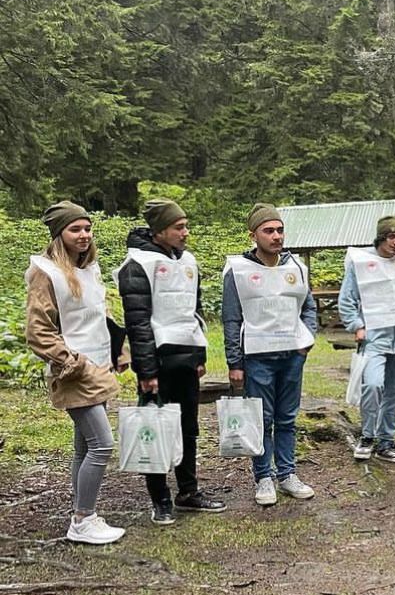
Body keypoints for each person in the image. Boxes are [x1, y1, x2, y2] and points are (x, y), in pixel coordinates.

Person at [118, 197, 225, 524]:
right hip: (159, 362)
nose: (186, 232)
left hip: (186, 358)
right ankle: (160, 499)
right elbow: (137, 321)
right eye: (179, 227)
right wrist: (146, 370)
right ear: (159, 231)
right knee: (156, 429)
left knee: (187, 428)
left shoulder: (188, 260)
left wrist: (200, 354)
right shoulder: (137, 264)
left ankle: (188, 492)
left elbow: (194, 311)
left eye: (186, 226)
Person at [26, 202, 127, 544]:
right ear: (59, 234)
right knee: (102, 445)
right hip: (75, 371)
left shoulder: (89, 267)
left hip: (98, 365)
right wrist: (71, 361)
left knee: (85, 449)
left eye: (87, 229)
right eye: (75, 230)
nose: (84, 235)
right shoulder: (45, 272)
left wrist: (119, 349)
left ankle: (83, 511)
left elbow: (98, 314)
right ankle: (83, 519)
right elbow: (38, 331)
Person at [222, 203, 319, 506]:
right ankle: (264, 476)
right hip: (257, 356)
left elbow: (309, 307)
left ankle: (287, 473)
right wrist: (234, 362)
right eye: (268, 230)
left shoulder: (297, 267)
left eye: (279, 230)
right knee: (261, 419)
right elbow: (231, 318)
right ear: (254, 235)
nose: (276, 236)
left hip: (292, 355)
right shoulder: (238, 269)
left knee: (287, 417)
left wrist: (307, 340)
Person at [339, 215, 395, 464]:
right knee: (373, 385)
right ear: (381, 237)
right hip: (374, 335)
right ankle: (367, 436)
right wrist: (357, 325)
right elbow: (347, 299)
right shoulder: (360, 261)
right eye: (391, 236)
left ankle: (386, 442)